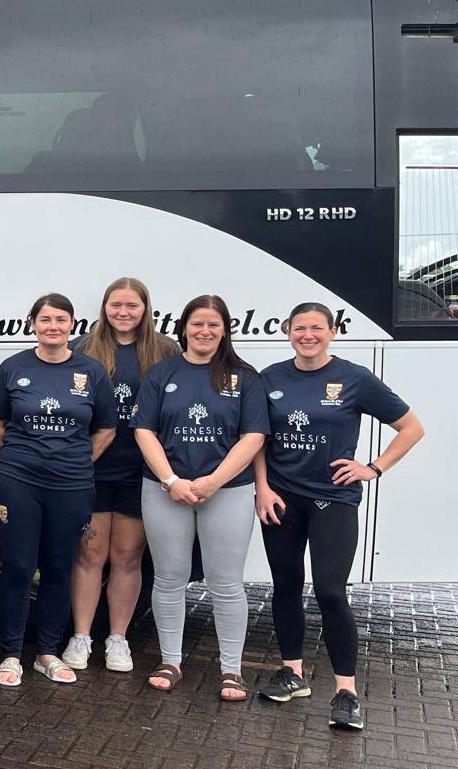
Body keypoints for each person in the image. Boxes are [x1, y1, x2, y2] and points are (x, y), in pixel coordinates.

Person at [254, 302, 424, 731]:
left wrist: (374, 467)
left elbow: (411, 427)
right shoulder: (270, 377)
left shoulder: (354, 378)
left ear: (332, 332)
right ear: (287, 331)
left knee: (331, 591)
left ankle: (345, 692)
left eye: (316, 328)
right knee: (286, 586)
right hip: (281, 499)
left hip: (334, 499)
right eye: (299, 328)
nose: (307, 335)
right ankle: (292, 673)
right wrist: (263, 487)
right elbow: (256, 439)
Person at [133, 295, 266, 700]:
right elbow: (144, 430)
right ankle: (170, 660)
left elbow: (254, 436)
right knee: (169, 578)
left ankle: (231, 670)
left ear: (225, 329)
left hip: (228, 491)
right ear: (184, 328)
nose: (204, 331)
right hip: (164, 489)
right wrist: (172, 480)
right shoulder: (161, 373)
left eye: (213, 324)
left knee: (226, 584)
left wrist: (212, 482)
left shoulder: (244, 376)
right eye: (197, 324)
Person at [0, 293, 117, 687]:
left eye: (61, 320)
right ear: (33, 324)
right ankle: (10, 654)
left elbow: (107, 429)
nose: (53, 327)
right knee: (20, 566)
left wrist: (77, 460)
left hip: (72, 485)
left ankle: (47, 653)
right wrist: (25, 455)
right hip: (18, 482)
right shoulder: (14, 368)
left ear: (73, 326)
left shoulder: (91, 372)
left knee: (58, 567)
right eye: (45, 320)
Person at [62, 278, 177, 673]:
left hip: (141, 470)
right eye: (116, 305)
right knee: (90, 553)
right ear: (104, 307)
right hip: (92, 468)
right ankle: (81, 637)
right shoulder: (82, 349)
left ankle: (117, 639)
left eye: (132, 305)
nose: (123, 312)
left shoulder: (165, 352)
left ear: (146, 308)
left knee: (128, 556)